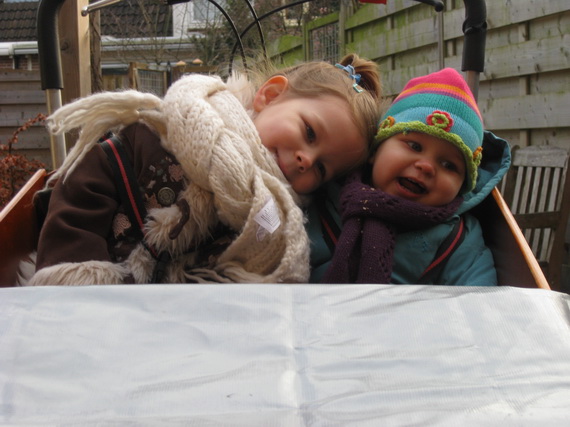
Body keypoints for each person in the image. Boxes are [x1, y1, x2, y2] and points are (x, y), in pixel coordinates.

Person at [27, 54, 382, 285]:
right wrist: (73, 276)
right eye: (308, 132)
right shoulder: (170, 131)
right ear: (270, 96)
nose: (306, 159)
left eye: (321, 168)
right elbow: (84, 189)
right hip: (93, 295)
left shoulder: (269, 220)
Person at [308, 67, 511, 286]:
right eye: (414, 146)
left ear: (462, 186)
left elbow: (478, 304)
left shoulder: (458, 240)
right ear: (375, 151)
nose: (426, 166)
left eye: (449, 165)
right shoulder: (322, 198)